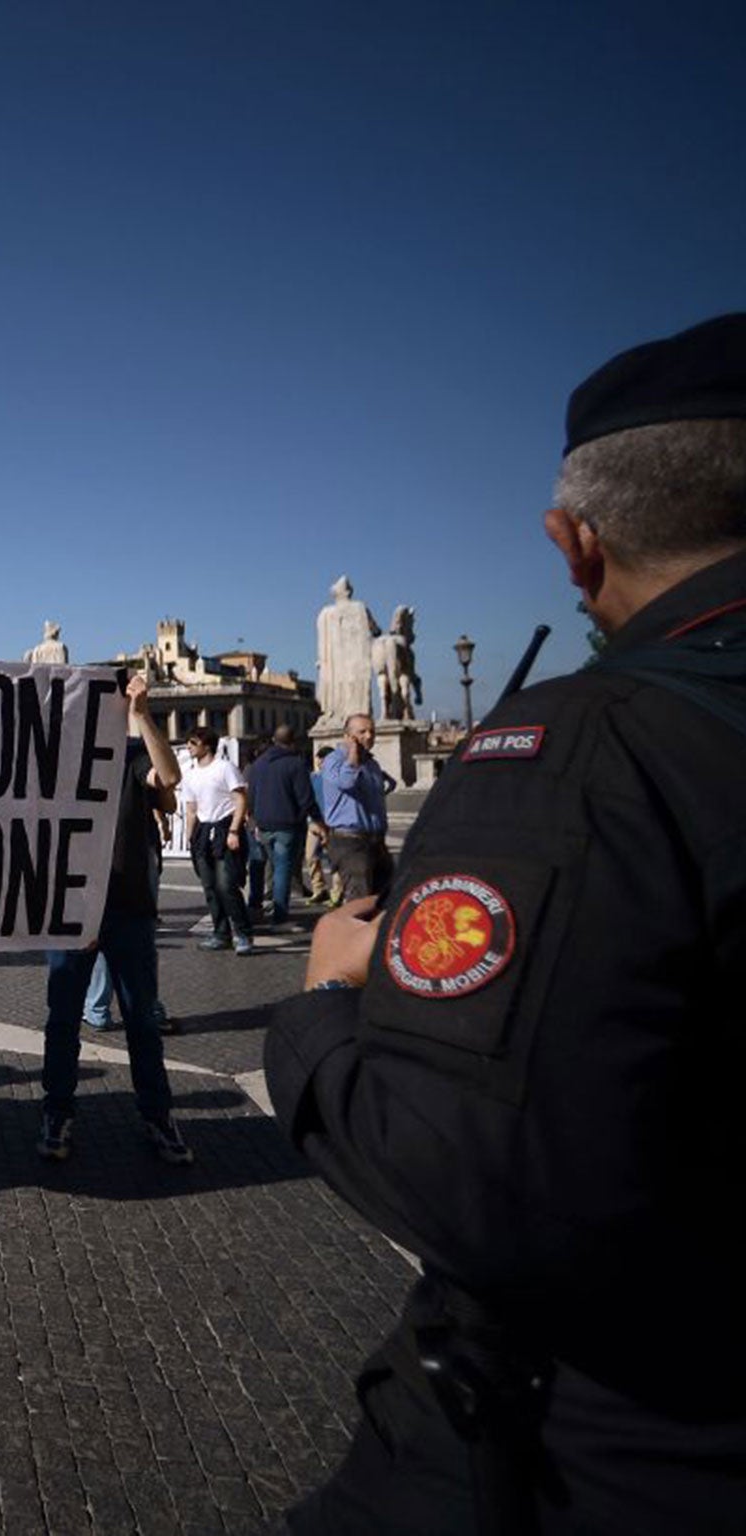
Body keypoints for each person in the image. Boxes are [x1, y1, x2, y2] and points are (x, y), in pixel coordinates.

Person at [265, 312, 746, 1532]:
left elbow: (466, 1173)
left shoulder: (576, 751)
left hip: (621, 1442)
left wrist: (319, 1015)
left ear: (573, 544)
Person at [40, 673, 193, 1166]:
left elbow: (169, 779)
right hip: (69, 911)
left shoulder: (131, 757)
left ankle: (158, 1114)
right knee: (63, 1022)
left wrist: (143, 714)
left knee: (142, 1022)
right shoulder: (52, 763)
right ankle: (57, 1112)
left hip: (127, 908)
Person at [180, 727, 253, 954]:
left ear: (206, 745)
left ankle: (243, 934)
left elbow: (240, 799)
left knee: (226, 885)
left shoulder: (224, 768)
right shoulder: (190, 774)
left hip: (224, 827)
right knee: (209, 886)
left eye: (193, 742)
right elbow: (191, 808)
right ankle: (221, 933)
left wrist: (234, 831)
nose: (189, 747)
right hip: (203, 831)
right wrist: (190, 837)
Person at [247, 724, 323, 924]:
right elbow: (305, 798)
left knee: (271, 866)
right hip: (288, 825)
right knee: (282, 869)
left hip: (263, 825)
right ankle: (279, 915)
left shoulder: (258, 764)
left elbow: (251, 796)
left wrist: (254, 819)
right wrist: (318, 819)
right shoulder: (295, 764)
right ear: (292, 742)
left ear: (274, 740)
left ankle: (259, 906)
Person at [317, 713, 394, 900]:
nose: (369, 736)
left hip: (375, 840)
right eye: (362, 732)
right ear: (347, 735)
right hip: (350, 841)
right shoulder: (334, 761)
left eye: (372, 731)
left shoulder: (372, 763)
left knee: (387, 895)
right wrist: (353, 755)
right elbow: (346, 782)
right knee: (359, 900)